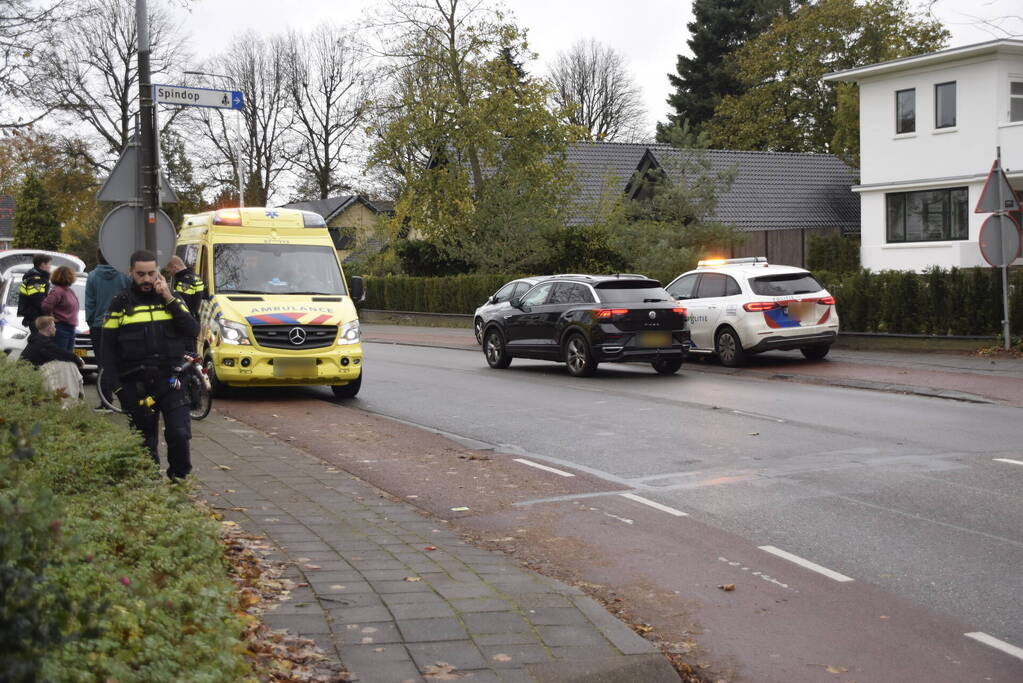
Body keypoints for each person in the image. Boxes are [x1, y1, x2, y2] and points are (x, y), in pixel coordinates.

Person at [100, 250, 200, 480]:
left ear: (159, 273)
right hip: (136, 383)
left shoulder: (171, 298)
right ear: (131, 273)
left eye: (151, 273)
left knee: (179, 433)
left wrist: (168, 298)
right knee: (145, 441)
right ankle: (148, 485)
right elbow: (107, 350)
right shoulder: (120, 304)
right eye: (140, 274)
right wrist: (117, 388)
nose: (146, 279)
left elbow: (192, 330)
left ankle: (179, 480)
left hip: (172, 380)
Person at [85, 249, 130, 407]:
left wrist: (91, 322)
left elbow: (90, 303)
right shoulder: (125, 275)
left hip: (99, 325)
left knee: (103, 364)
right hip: (122, 325)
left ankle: (106, 401)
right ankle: (127, 400)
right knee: (124, 362)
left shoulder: (92, 276)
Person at [23, 315, 85, 407]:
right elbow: (61, 352)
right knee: (69, 365)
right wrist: (78, 360)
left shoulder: (37, 340)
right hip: (27, 378)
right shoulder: (43, 342)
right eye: (54, 326)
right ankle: (72, 399)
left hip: (28, 374)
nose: (56, 328)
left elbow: (56, 355)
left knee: (65, 364)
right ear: (49, 328)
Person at [41, 265, 79, 352]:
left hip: (71, 328)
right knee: (60, 356)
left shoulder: (69, 291)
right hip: (61, 328)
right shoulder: (57, 291)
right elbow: (45, 306)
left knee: (68, 356)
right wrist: (51, 317)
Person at [17, 253, 51, 331]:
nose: (50, 267)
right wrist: (48, 312)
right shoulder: (36, 280)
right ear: (43, 264)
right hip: (36, 317)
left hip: (35, 316)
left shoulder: (37, 278)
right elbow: (38, 300)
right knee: (38, 340)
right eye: (49, 264)